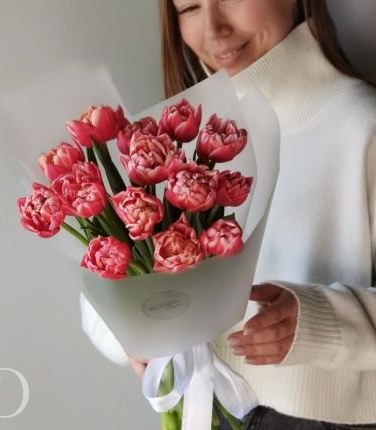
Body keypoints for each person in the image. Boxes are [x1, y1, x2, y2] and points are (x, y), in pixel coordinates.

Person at [80, 0, 376, 428]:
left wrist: (322, 322)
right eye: (190, 7)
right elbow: (100, 293)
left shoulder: (364, 128)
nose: (213, 29)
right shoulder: (167, 143)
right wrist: (134, 336)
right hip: (204, 411)